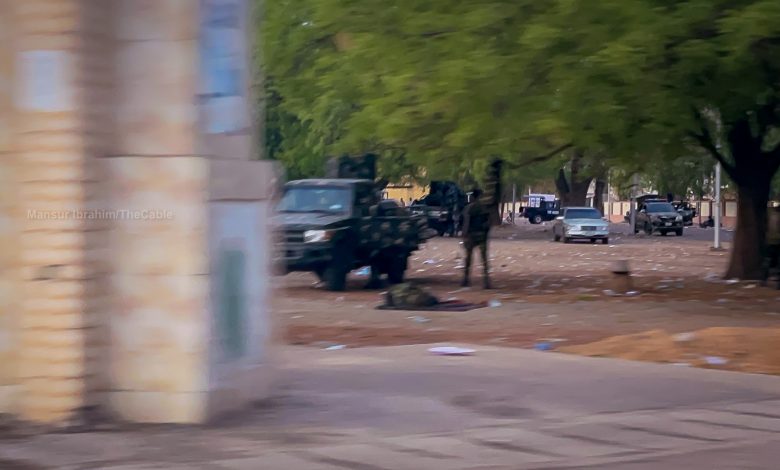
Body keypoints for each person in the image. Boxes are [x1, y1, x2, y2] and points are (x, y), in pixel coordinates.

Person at [461, 187, 492, 289]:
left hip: (471, 236)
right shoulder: (484, 208)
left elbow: (466, 222)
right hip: (481, 236)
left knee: (468, 259)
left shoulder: (468, 208)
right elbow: (488, 223)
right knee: (484, 259)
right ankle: (486, 282)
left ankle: (465, 279)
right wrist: (485, 235)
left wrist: (464, 235)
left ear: (473, 196)